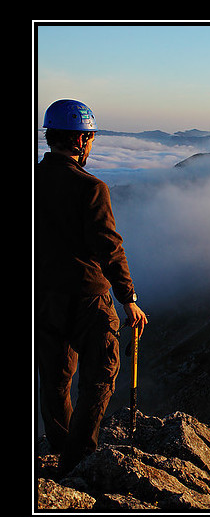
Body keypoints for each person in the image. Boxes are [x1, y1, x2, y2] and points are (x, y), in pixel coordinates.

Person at [35, 99, 148, 475]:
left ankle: (63, 448)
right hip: (88, 298)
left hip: (44, 299)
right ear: (82, 140)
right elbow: (109, 246)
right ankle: (78, 459)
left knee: (55, 381)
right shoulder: (92, 188)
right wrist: (128, 297)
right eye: (92, 138)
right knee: (101, 373)